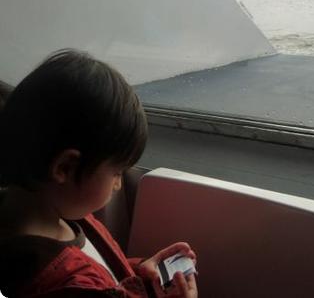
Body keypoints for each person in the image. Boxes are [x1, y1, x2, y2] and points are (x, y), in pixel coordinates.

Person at [0, 49, 198, 298]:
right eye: (117, 173)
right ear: (65, 168)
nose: (117, 185)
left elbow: (100, 273)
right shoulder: (63, 285)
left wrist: (138, 273)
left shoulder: (61, 214)